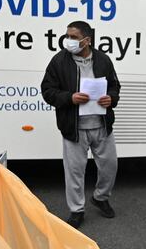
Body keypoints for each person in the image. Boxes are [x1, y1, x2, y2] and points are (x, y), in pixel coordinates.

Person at [41, 20, 121, 229]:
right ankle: (77, 210)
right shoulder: (58, 61)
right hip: (74, 127)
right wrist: (70, 98)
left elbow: (114, 86)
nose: (68, 40)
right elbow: (47, 91)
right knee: (75, 172)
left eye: (74, 37)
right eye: (67, 35)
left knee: (110, 166)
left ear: (87, 40)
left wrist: (111, 98)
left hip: (102, 126)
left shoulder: (103, 60)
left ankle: (101, 197)